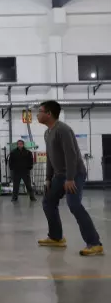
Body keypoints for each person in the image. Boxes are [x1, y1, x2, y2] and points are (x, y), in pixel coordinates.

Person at [37, 101, 103, 256]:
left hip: (74, 174)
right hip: (60, 175)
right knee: (48, 202)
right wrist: (48, 178)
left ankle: (94, 243)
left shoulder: (63, 130)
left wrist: (70, 178)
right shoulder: (48, 133)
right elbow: (50, 157)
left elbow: (71, 155)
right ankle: (56, 238)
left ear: (49, 114)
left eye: (40, 111)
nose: (37, 115)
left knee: (74, 205)